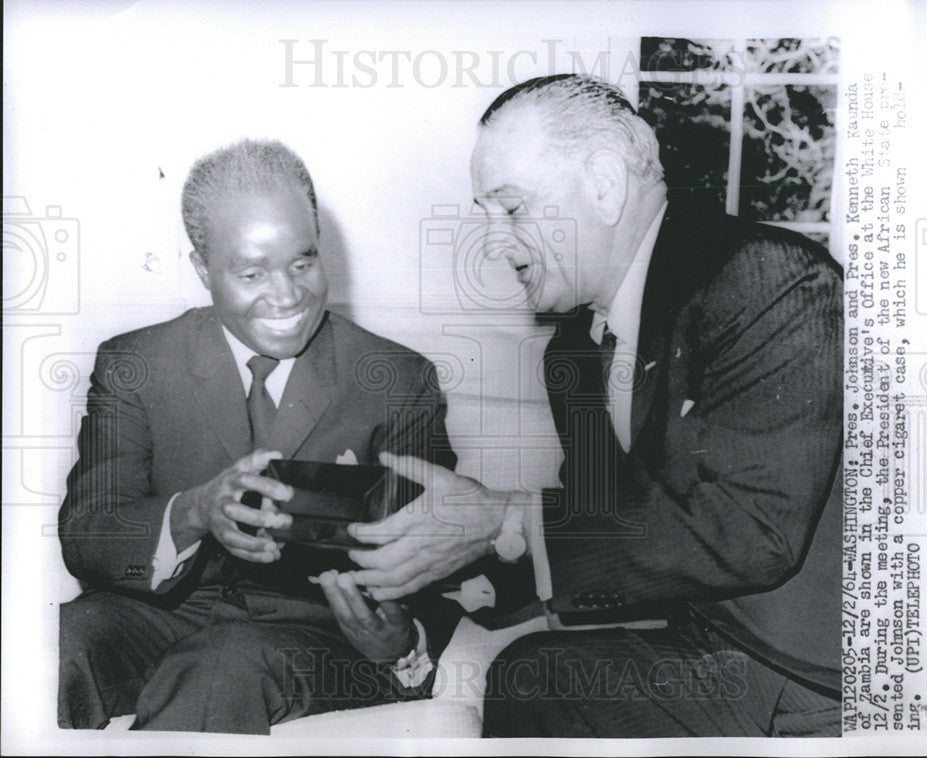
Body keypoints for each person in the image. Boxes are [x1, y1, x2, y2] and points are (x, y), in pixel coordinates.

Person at [344, 75, 844, 737]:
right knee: (533, 675)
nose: (493, 244)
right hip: (711, 656)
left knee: (536, 679)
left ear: (605, 184)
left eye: (512, 209)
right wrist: (439, 566)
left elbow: (751, 533)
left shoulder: (768, 280)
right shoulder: (575, 353)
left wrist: (503, 518)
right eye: (484, 215)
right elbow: (606, 527)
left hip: (813, 687)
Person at [58, 139, 460, 733]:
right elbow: (89, 534)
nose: (288, 296)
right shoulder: (134, 365)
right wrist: (192, 512)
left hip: (315, 634)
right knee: (60, 644)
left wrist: (398, 636)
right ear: (202, 269)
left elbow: (438, 563)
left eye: (304, 263)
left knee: (220, 668)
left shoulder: (397, 379)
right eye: (251, 273)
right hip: (158, 615)